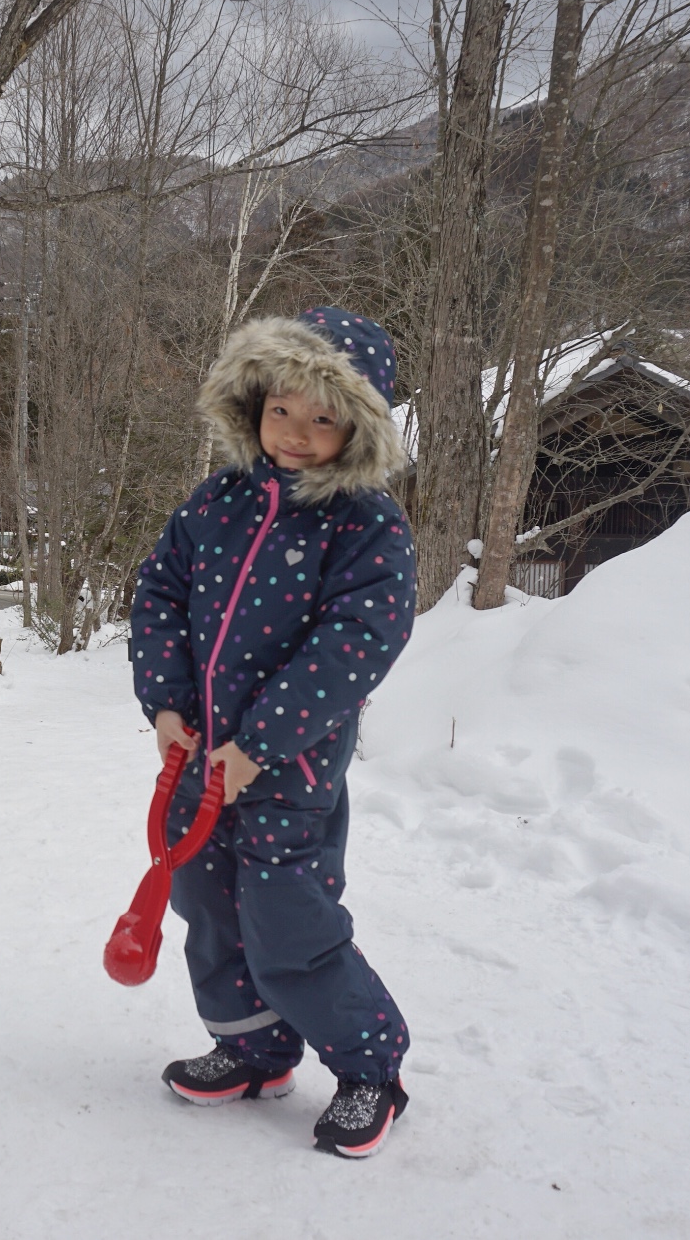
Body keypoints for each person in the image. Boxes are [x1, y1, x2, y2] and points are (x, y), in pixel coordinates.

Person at [129, 306, 416, 1158]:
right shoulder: (215, 502)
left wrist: (259, 743)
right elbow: (160, 597)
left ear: (355, 428)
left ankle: (371, 1069)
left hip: (285, 766)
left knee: (286, 915)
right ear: (253, 403)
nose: (295, 432)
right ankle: (253, 1050)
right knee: (206, 905)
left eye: (323, 418)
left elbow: (357, 643)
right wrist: (168, 704)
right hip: (197, 758)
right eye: (282, 409)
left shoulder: (366, 527)